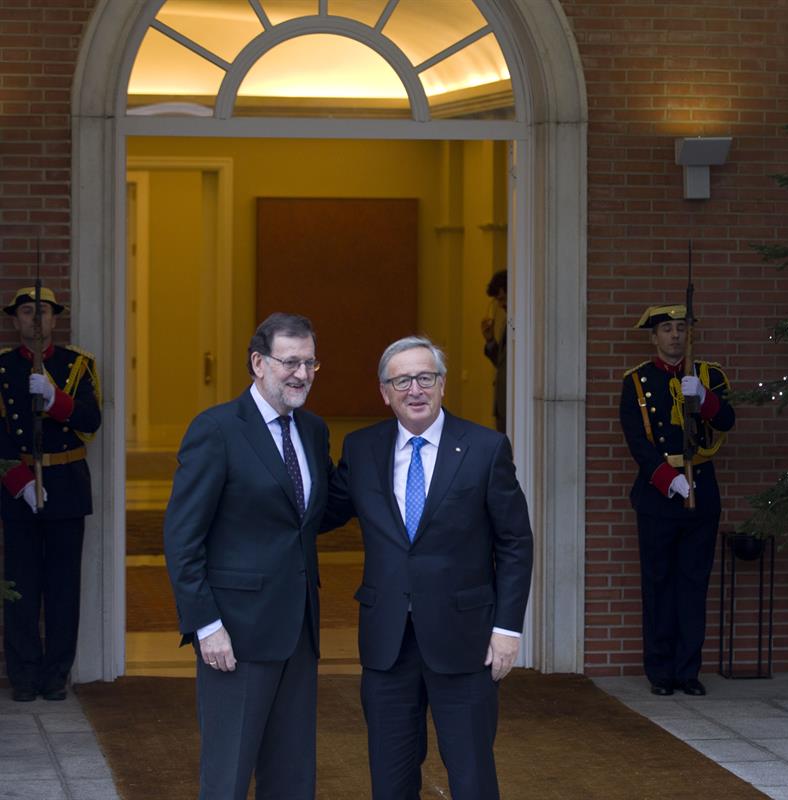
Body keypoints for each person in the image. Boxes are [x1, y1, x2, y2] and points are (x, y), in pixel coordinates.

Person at [325, 335, 533, 800]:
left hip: (466, 640)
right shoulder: (361, 449)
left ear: (441, 385)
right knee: (391, 777)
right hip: (387, 643)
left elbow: (515, 542)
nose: (414, 389)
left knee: (471, 775)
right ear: (385, 392)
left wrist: (508, 629)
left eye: (425, 377)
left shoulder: (484, 447)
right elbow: (321, 514)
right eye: (402, 380)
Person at [163, 313, 330, 799]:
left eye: (311, 363)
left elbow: (314, 513)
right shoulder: (216, 429)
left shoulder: (314, 431)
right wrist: (205, 624)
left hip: (299, 630)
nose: (302, 374)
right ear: (258, 363)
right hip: (233, 634)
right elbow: (182, 537)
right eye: (290, 362)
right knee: (228, 775)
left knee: (292, 774)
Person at [619, 304, 734, 697]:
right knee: (658, 584)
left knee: (692, 584)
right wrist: (669, 481)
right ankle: (660, 672)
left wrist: (703, 398)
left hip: (701, 491)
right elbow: (637, 441)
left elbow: (727, 421)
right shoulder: (637, 382)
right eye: (666, 329)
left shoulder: (708, 376)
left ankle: (688, 671)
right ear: (654, 337)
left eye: (680, 328)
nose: (674, 335)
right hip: (658, 495)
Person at [0, 287, 101, 702]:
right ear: (15, 320)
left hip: (65, 485)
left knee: (62, 588)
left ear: (54, 318)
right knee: (22, 586)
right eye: (27, 312)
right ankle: (23, 675)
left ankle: (55, 674)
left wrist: (55, 399)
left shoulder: (77, 365)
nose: (35, 320)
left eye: (43, 312)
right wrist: (20, 481)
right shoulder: (3, 367)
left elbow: (91, 420)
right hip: (19, 485)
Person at [480, 270, 507, 433]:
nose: (501, 305)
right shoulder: (506, 322)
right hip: (502, 404)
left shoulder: (520, 320)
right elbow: (501, 361)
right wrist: (490, 341)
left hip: (511, 402)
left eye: (502, 299)